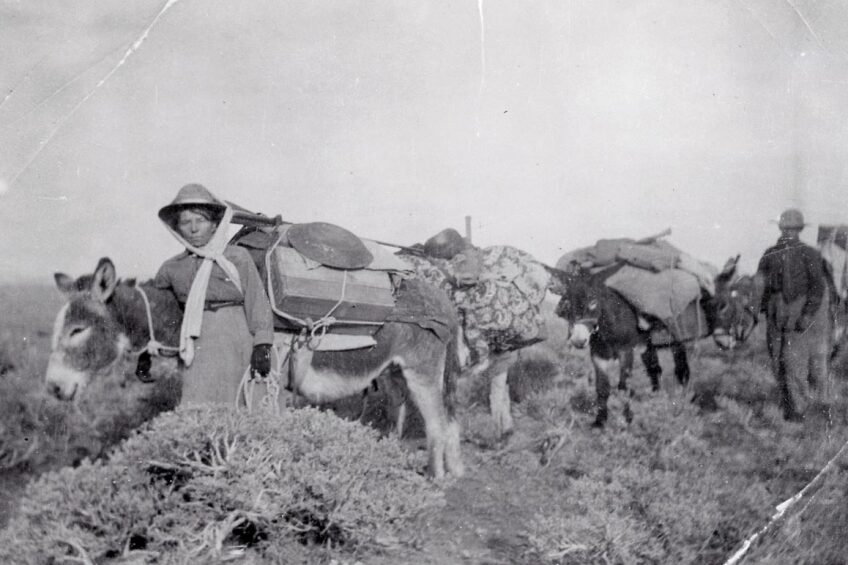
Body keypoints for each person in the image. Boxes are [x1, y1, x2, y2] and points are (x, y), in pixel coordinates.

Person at [154, 183, 275, 405]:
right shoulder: (171, 269)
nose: (193, 228)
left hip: (236, 337)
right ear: (176, 228)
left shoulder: (237, 257)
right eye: (185, 222)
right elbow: (160, 314)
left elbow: (257, 302)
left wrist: (262, 346)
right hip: (197, 342)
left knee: (242, 402)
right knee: (199, 402)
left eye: (200, 220)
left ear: (214, 225)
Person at [756, 208, 831, 422]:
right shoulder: (769, 254)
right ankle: (787, 405)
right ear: (780, 228)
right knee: (777, 360)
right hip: (774, 311)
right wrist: (760, 310)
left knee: (793, 361)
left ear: (799, 230)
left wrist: (807, 313)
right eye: (785, 228)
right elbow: (761, 283)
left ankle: (798, 411)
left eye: (792, 229)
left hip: (799, 309)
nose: (788, 232)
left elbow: (817, 287)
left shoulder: (810, 253)